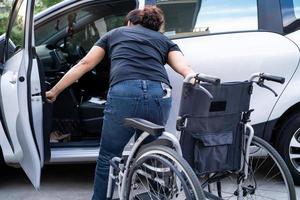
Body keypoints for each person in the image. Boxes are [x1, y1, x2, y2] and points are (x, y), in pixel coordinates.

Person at [46, 6, 195, 200]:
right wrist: (190, 75)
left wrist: (54, 91)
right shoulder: (165, 40)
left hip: (125, 92)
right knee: (149, 152)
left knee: (109, 156)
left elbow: (85, 64)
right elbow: (184, 67)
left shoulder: (115, 34)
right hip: (159, 94)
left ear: (131, 22)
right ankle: (154, 194)